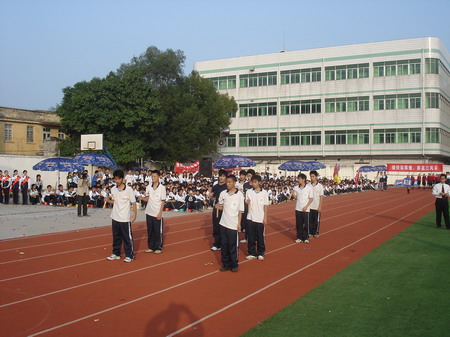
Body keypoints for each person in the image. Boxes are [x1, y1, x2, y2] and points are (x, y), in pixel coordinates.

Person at [104, 169, 137, 263]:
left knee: (127, 237)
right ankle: (116, 253)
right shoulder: (113, 189)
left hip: (124, 218)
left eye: (118, 179)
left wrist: (134, 215)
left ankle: (129, 255)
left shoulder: (129, 190)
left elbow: (133, 203)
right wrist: (108, 200)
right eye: (115, 179)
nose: (117, 181)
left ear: (122, 179)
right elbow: (115, 201)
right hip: (115, 216)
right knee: (116, 237)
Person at [216, 175, 244, 272]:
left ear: (234, 182)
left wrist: (239, 224)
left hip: (233, 224)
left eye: (230, 182)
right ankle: (225, 263)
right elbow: (221, 206)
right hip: (223, 223)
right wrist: (217, 206)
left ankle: (234, 264)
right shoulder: (223, 193)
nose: (228, 184)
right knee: (224, 245)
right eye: (227, 182)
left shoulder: (239, 195)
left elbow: (240, 211)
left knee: (233, 245)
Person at [140, 170, 166, 254]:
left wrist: (160, 213)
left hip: (157, 212)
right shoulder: (148, 187)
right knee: (150, 230)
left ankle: (158, 247)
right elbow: (147, 199)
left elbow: (162, 201)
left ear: (158, 177)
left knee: (157, 230)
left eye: (154, 176)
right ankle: (151, 246)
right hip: (149, 212)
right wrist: (142, 198)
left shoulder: (162, 188)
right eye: (152, 176)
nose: (153, 178)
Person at [245, 175, 269, 261]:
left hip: (260, 217)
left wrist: (265, 218)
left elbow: (265, 206)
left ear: (259, 182)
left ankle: (260, 252)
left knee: (260, 236)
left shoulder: (264, 193)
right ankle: (251, 252)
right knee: (251, 236)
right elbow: (247, 202)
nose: (253, 184)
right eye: (252, 182)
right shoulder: (249, 192)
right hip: (250, 217)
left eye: (255, 182)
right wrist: (247, 203)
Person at [209, 170, 228, 251]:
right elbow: (212, 198)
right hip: (216, 209)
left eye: (223, 176)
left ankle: (224, 243)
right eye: (220, 176)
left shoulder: (227, 187)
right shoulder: (215, 186)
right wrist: (211, 196)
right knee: (216, 226)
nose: (221, 178)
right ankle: (217, 243)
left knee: (224, 227)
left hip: (225, 209)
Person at [292, 173, 313, 243]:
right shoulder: (296, 188)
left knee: (306, 224)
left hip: (306, 209)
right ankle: (299, 237)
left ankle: (306, 237)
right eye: (298, 179)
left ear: (303, 179)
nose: (298, 180)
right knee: (299, 224)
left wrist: (306, 206)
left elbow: (311, 199)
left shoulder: (309, 188)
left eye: (299, 179)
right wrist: (293, 195)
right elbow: (295, 197)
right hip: (298, 208)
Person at [309, 170, 324, 238]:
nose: (312, 178)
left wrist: (320, 206)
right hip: (309, 206)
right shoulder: (308, 185)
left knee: (316, 220)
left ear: (316, 177)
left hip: (316, 206)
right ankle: (310, 232)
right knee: (310, 220)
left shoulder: (320, 186)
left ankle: (316, 232)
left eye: (313, 176)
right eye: (311, 176)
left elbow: (321, 197)